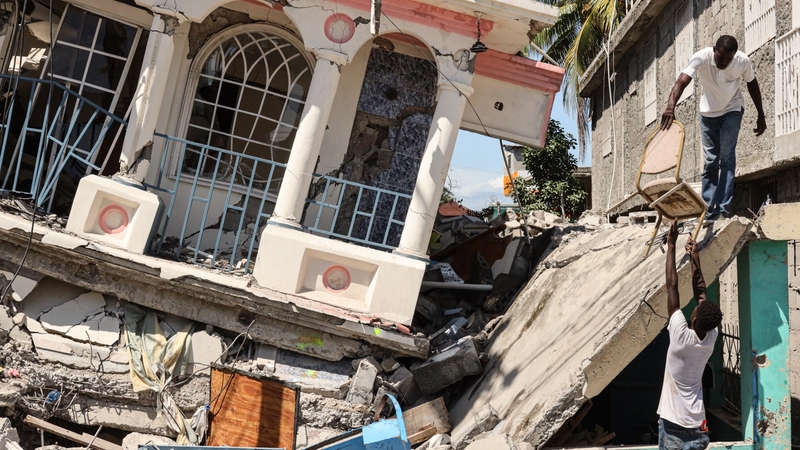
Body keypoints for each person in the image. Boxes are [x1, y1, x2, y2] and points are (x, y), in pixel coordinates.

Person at [661, 35, 766, 221]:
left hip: (732, 109)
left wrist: (761, 114)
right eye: (720, 57)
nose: (724, 62)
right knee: (710, 160)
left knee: (726, 157)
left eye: (728, 59)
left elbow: (752, 84)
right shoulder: (702, 57)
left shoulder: (742, 61)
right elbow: (681, 81)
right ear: (714, 50)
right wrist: (670, 106)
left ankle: (723, 208)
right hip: (708, 114)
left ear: (734, 55)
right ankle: (708, 207)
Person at [657, 221, 723, 450]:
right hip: (698, 423)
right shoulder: (710, 337)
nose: (693, 307)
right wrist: (694, 256)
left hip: (674, 423)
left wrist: (672, 245)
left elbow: (671, 286)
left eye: (693, 310)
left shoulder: (680, 336)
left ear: (693, 319)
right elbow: (701, 293)